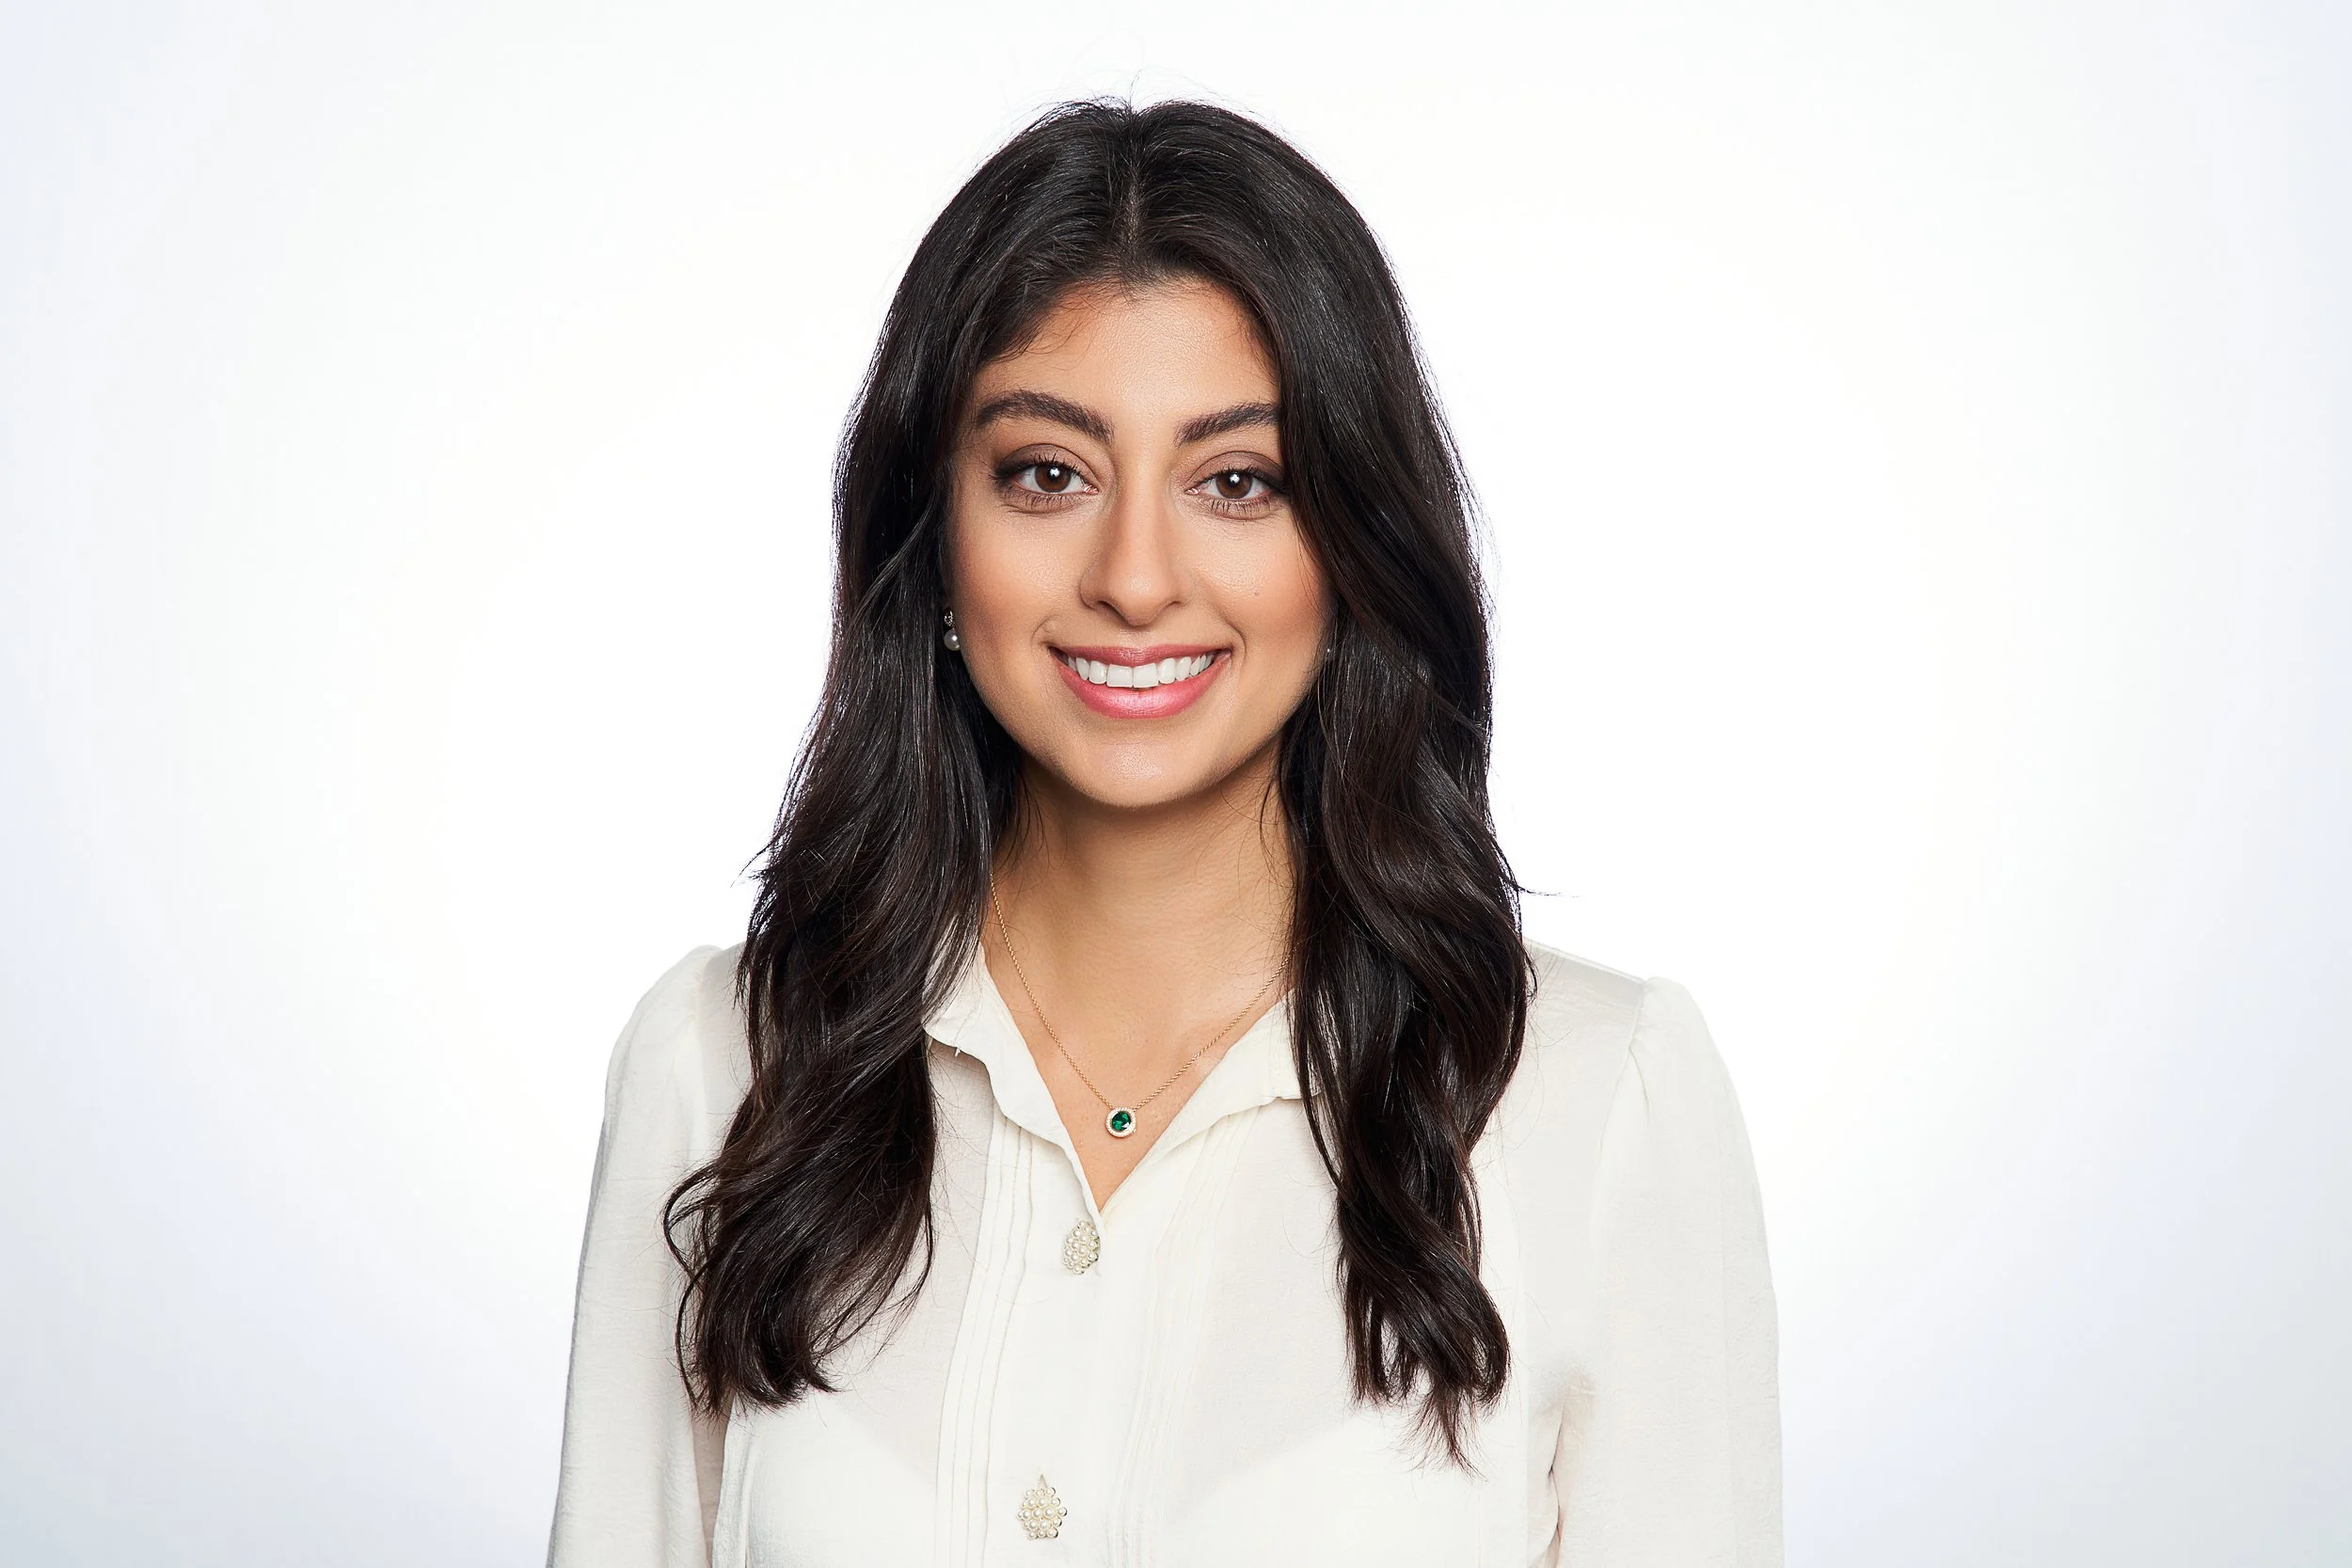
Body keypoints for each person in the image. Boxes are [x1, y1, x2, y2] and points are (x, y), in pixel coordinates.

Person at [548, 99, 1780, 1567]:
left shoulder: (1595, 1099)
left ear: (1351, 547)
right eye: (1046, 474)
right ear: (934, 545)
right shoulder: (722, 1065)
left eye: (1236, 482)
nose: (1136, 577)